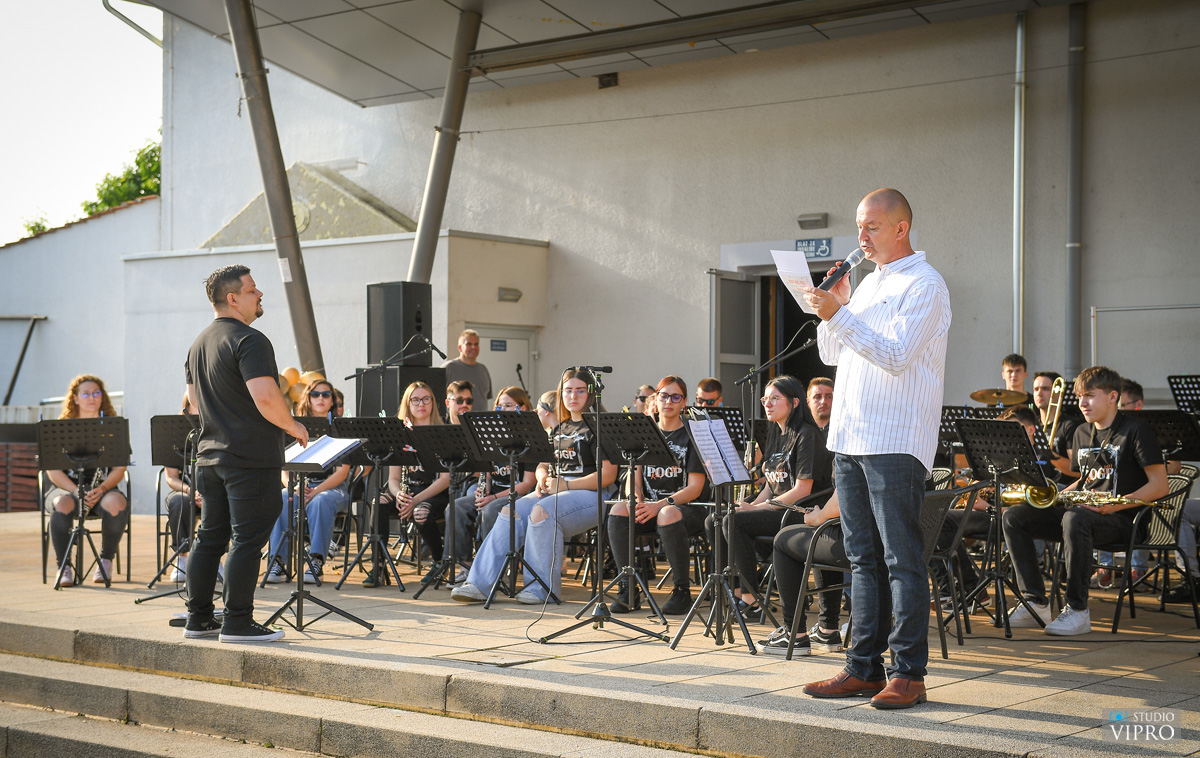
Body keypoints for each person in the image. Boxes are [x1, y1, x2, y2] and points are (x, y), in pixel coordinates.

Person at [799, 188, 951, 709]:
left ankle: (909, 672)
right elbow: (833, 353)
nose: (861, 236)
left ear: (900, 228)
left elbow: (895, 355)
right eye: (859, 226)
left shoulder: (925, 284)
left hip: (894, 438)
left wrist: (840, 315)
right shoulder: (867, 284)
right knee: (862, 558)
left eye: (872, 226)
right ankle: (862, 667)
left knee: (901, 558)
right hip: (850, 436)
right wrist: (837, 306)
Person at [184, 264, 309, 642]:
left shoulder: (199, 343)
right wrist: (293, 425)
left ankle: (199, 619)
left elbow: (193, 404)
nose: (260, 294)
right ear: (233, 298)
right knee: (247, 540)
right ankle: (237, 622)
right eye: (253, 290)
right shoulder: (250, 340)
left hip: (209, 458)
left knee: (210, 538)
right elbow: (266, 397)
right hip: (249, 459)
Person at [1003, 366, 1168, 636]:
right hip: (1083, 515)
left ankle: (1077, 610)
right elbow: (1085, 479)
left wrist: (1113, 505)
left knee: (1074, 518)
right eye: (1079, 396)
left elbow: (1160, 485)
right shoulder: (1081, 432)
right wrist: (1058, 496)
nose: (1082, 403)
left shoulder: (1137, 431)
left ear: (1113, 396)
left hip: (1124, 521)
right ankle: (1035, 603)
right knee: (1014, 517)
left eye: (1089, 395)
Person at [452, 368, 618, 604]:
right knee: (510, 511)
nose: (573, 396)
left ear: (591, 394)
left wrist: (566, 485)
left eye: (580, 391)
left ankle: (541, 589)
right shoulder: (560, 428)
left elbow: (608, 475)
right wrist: (541, 477)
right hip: (558, 491)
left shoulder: (599, 427)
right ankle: (479, 583)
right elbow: (543, 463)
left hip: (593, 494)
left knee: (542, 511)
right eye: (568, 391)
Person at [709, 375, 832, 620]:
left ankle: (751, 601)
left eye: (775, 398)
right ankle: (734, 591)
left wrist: (757, 509)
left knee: (734, 522)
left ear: (794, 402)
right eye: (765, 399)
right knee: (716, 518)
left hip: (799, 512)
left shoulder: (807, 435)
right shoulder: (776, 433)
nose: (767, 403)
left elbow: (802, 490)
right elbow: (771, 485)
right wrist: (749, 505)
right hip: (776, 507)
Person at [607, 376, 709, 615]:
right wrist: (635, 499)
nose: (669, 402)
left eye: (675, 397)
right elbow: (633, 478)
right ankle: (628, 588)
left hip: (689, 509)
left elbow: (695, 488)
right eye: (664, 396)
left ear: (684, 402)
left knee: (667, 513)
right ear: (656, 399)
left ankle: (682, 591)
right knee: (619, 509)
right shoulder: (644, 434)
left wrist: (659, 505)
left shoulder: (692, 435)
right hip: (651, 508)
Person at [44, 374, 129, 587]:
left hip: (102, 489)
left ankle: (105, 561)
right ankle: (64, 566)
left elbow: (120, 468)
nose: (92, 397)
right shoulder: (59, 429)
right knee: (61, 503)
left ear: (103, 397)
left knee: (117, 502)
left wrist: (102, 488)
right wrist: (76, 491)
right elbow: (53, 470)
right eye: (86, 394)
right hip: (67, 489)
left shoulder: (113, 429)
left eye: (96, 393)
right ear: (75, 398)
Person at [446, 386, 538, 581]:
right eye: (499, 406)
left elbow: (527, 483)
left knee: (490, 510)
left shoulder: (530, 437)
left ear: (522, 407)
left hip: (518, 496)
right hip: (494, 493)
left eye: (508, 405)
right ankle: (466, 565)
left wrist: (493, 498)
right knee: (456, 507)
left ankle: (492, 569)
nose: (502, 410)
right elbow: (488, 473)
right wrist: (484, 489)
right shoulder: (491, 435)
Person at [264, 379, 351, 584]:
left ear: (332, 400)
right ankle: (278, 561)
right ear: (308, 398)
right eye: (315, 394)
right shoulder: (293, 426)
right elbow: (284, 468)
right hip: (300, 486)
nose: (320, 398)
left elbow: (342, 472)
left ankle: (316, 561)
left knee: (321, 501)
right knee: (282, 496)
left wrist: (316, 490)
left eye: (326, 394)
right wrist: (293, 486)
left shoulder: (341, 428)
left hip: (332, 489)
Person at [757, 491, 845, 655]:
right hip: (887, 543)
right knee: (822, 533)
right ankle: (827, 630)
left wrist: (818, 517)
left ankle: (794, 635)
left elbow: (840, 502)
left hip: (858, 541)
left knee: (783, 539)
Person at [386, 381, 452, 583]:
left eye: (426, 399)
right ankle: (379, 565)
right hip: (407, 494)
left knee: (421, 512)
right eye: (415, 400)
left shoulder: (442, 434)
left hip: (434, 494)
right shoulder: (400, 435)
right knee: (378, 503)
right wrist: (399, 494)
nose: (421, 404)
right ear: (407, 403)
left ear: (433, 402)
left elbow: (445, 480)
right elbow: (393, 479)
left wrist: (415, 501)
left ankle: (439, 562)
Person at [163, 392, 202, 583]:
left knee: (225, 500)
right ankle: (182, 557)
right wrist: (190, 491)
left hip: (213, 491)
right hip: (185, 491)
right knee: (179, 502)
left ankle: (215, 558)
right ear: (186, 407)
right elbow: (171, 477)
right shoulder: (174, 434)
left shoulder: (220, 430)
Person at [1031, 371, 1081, 480]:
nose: (1039, 393)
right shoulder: (1032, 424)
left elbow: (1078, 471)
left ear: (1058, 393)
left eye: (1045, 389)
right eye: (1036, 389)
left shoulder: (1069, 425)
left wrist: (1049, 455)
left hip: (1062, 485)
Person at [441, 329, 492, 401]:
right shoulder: (448, 368)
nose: (473, 347)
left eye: (476, 344)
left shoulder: (483, 369)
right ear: (460, 348)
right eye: (469, 344)